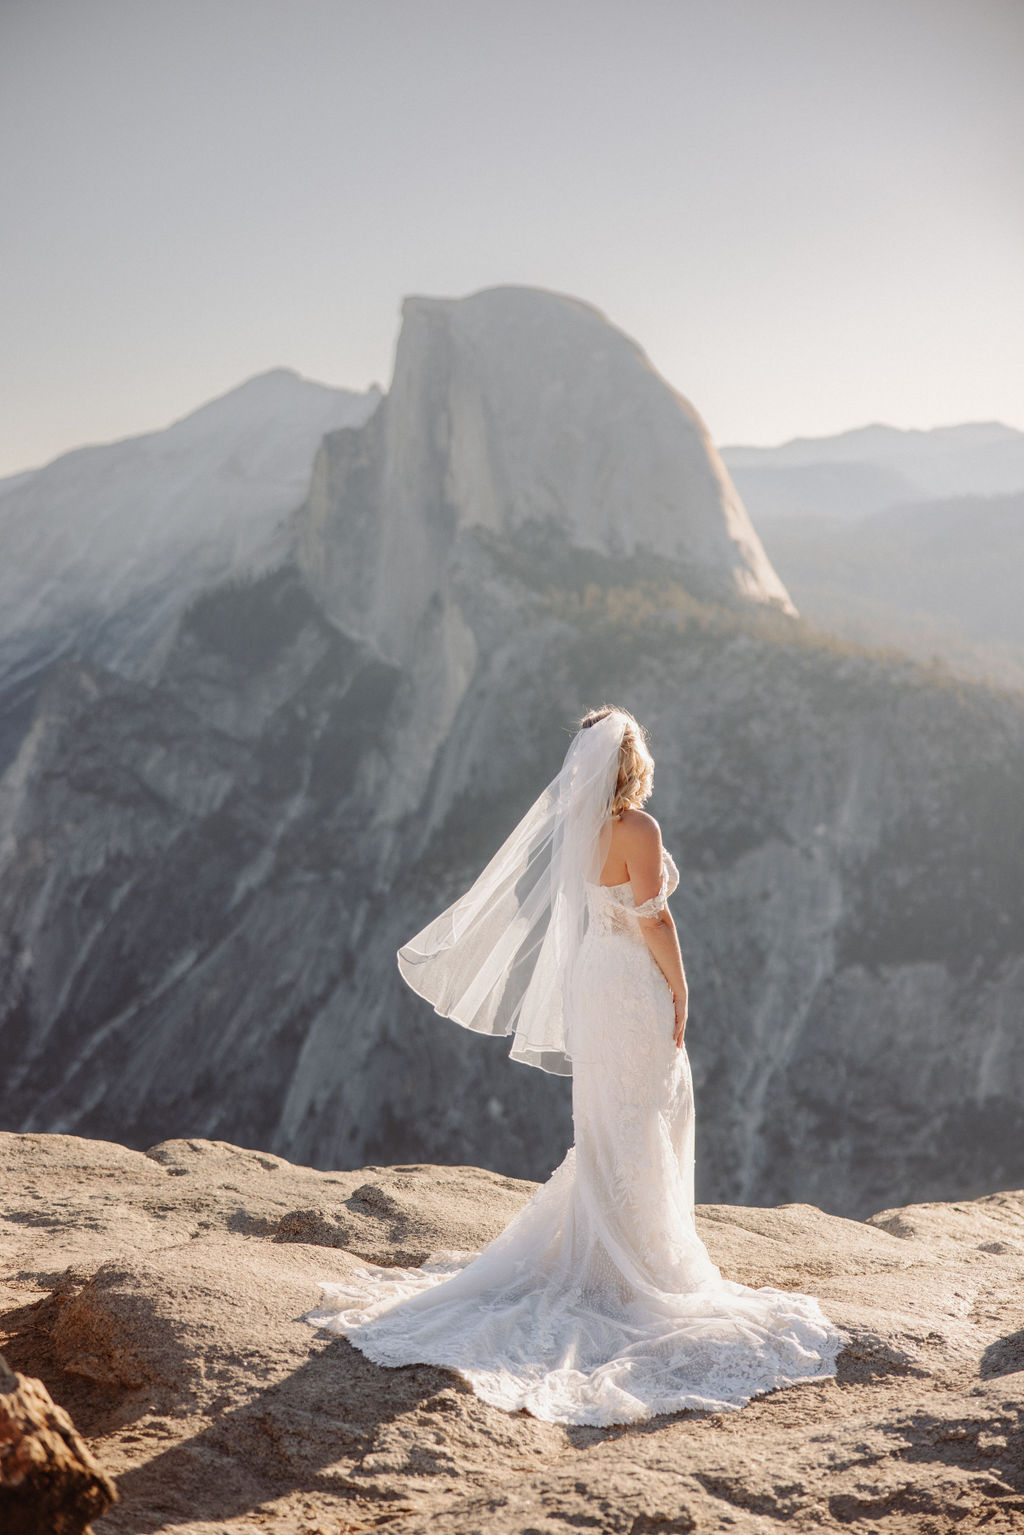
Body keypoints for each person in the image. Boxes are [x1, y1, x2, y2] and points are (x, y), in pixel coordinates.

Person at [305, 706, 842, 1426]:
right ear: (632, 763)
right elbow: (655, 917)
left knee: (608, 1116)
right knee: (646, 1107)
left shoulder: (579, 831)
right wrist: (682, 987)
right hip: (629, 981)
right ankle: (638, 1263)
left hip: (593, 979)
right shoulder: (639, 830)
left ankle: (605, 1250)